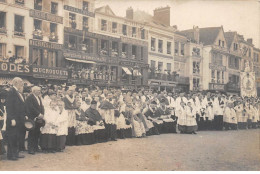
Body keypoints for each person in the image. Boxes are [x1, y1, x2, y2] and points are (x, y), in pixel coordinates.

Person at [5, 77, 26, 160]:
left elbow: (20, 106)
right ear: (16, 83)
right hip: (13, 119)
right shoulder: (11, 92)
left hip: (19, 119)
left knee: (17, 137)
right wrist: (12, 119)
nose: (22, 84)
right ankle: (11, 155)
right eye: (21, 82)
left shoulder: (17, 92)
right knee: (12, 137)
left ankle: (15, 153)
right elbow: (9, 107)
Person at [25, 86, 45, 155]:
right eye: (38, 90)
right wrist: (38, 114)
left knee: (37, 133)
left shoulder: (39, 97)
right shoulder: (30, 97)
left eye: (40, 90)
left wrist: (42, 114)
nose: (39, 91)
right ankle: (30, 148)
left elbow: (41, 106)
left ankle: (35, 147)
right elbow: (31, 107)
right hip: (33, 118)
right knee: (32, 134)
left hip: (39, 118)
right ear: (34, 91)